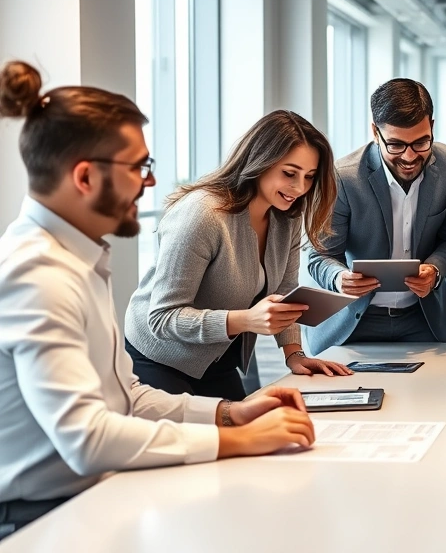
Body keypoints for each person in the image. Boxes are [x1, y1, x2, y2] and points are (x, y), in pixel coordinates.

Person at [0, 61, 315, 540]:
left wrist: (230, 413)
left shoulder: (79, 262)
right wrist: (232, 439)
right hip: (40, 518)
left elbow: (128, 399)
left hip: (88, 496)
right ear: (85, 177)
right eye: (138, 167)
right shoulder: (38, 275)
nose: (149, 184)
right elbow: (89, 438)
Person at [124, 111, 352, 401]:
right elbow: (163, 318)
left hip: (218, 358)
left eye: (309, 177)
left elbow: (285, 294)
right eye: (289, 173)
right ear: (260, 162)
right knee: (203, 442)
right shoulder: (202, 215)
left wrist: (294, 354)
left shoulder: (287, 216)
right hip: (160, 357)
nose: (300, 188)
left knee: (245, 434)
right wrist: (245, 320)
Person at [306, 78, 446, 353]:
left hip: (423, 320)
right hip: (353, 323)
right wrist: (339, 278)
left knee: (429, 395)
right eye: (395, 145)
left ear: (432, 126)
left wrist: (436, 269)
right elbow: (319, 255)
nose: (409, 156)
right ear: (374, 132)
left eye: (420, 142)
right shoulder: (343, 176)